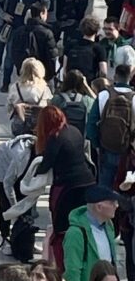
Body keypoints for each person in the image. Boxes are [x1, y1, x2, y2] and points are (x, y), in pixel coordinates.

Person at [34, 105, 95, 267]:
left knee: (61, 227)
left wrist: (33, 171)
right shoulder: (74, 130)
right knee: (82, 224)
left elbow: (46, 164)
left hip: (67, 187)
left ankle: (62, 265)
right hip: (87, 181)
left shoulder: (55, 137)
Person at [64, 185, 119, 281]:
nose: (116, 206)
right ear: (99, 207)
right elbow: (72, 272)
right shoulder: (76, 233)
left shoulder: (109, 226)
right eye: (112, 202)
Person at [86, 64, 135, 189]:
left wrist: (98, 144)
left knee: (105, 186)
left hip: (106, 147)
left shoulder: (103, 95)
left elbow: (91, 124)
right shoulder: (134, 98)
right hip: (128, 150)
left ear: (115, 76)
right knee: (127, 187)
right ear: (129, 77)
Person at [0, 132, 37, 248]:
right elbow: (8, 183)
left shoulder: (41, 155)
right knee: (5, 204)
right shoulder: (21, 155)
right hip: (0, 165)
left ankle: (26, 240)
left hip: (16, 171)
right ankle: (5, 238)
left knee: (25, 204)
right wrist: (15, 208)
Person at [7, 58, 51, 136]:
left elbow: (10, 105)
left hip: (20, 125)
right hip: (39, 124)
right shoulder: (45, 89)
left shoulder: (15, 87)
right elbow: (49, 106)